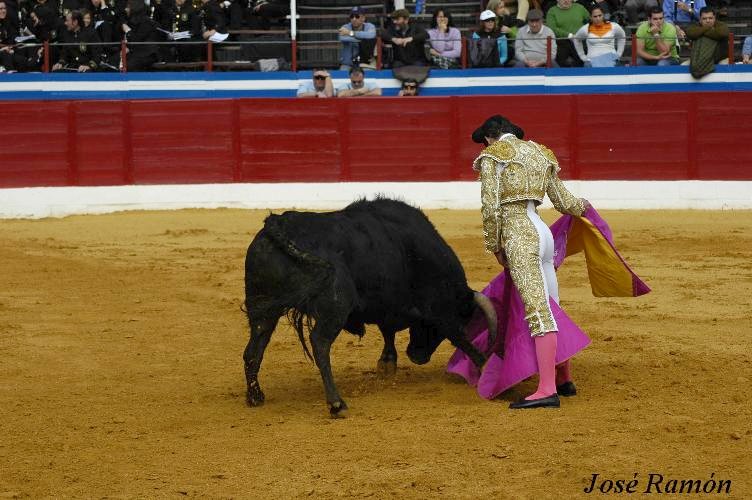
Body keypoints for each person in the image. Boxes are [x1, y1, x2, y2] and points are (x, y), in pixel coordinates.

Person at [471, 114, 590, 409]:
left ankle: (547, 389)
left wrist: (495, 245)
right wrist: (586, 209)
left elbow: (490, 208)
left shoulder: (492, 156)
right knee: (552, 306)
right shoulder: (540, 152)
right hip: (542, 231)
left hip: (519, 234)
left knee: (539, 311)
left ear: (488, 138)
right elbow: (565, 202)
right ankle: (564, 378)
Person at [685, 7, 728, 77]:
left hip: (720, 59)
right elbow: (690, 32)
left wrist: (702, 30)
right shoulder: (696, 25)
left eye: (710, 18)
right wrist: (707, 28)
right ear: (700, 19)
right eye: (704, 19)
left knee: (724, 65)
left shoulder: (721, 25)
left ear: (714, 18)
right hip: (700, 59)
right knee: (682, 65)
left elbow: (722, 33)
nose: (708, 21)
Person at [545, 0, 590, 67]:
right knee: (561, 61)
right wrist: (569, 35)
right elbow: (552, 28)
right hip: (561, 41)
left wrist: (583, 34)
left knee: (582, 62)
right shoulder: (552, 11)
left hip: (579, 40)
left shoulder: (580, 8)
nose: (566, 1)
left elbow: (590, 21)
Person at [337, 6, 376, 70]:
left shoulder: (369, 26)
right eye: (352, 16)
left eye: (357, 16)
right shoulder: (345, 27)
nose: (354, 19)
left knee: (369, 74)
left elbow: (371, 35)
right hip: (348, 64)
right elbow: (342, 38)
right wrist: (363, 39)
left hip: (365, 63)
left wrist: (350, 33)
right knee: (342, 73)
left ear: (363, 18)